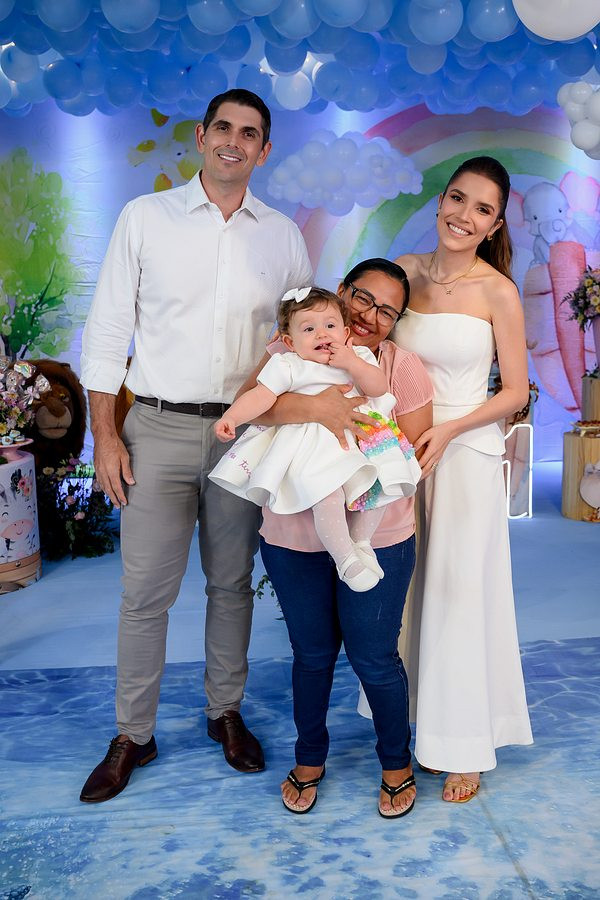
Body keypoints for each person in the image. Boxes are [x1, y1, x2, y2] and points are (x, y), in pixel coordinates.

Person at [78, 88, 313, 803]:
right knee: (144, 593)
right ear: (203, 136)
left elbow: (301, 343)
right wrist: (105, 435)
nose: (234, 141)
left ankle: (225, 712)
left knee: (231, 583)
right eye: (224, 128)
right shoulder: (145, 218)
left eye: (250, 133)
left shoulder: (284, 237)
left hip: (244, 435)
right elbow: (107, 331)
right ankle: (133, 734)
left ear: (264, 151)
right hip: (155, 427)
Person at [236, 259, 433, 817]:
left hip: (378, 534)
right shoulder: (288, 349)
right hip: (293, 535)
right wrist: (320, 407)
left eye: (387, 311)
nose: (370, 315)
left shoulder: (399, 366)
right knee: (312, 654)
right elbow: (255, 408)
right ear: (342, 292)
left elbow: (409, 453)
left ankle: (395, 763)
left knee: (375, 658)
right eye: (363, 298)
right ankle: (309, 757)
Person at [393, 155, 534, 803]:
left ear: (495, 224)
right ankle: (423, 721)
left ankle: (466, 744)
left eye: (482, 209)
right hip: (402, 454)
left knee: (458, 593)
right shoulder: (402, 273)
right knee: (409, 592)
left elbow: (515, 393)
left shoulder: (498, 291)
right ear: (440, 200)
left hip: (465, 452)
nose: (464, 215)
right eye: (457, 198)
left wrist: (449, 430)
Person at [210, 286, 421, 592]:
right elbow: (261, 396)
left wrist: (352, 363)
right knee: (327, 495)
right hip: (314, 444)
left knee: (381, 483)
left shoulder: (359, 356)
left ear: (345, 333)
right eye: (309, 329)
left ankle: (361, 542)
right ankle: (346, 559)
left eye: (330, 326)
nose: (322, 334)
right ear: (290, 342)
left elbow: (377, 387)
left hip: (361, 439)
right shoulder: (288, 364)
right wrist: (232, 417)